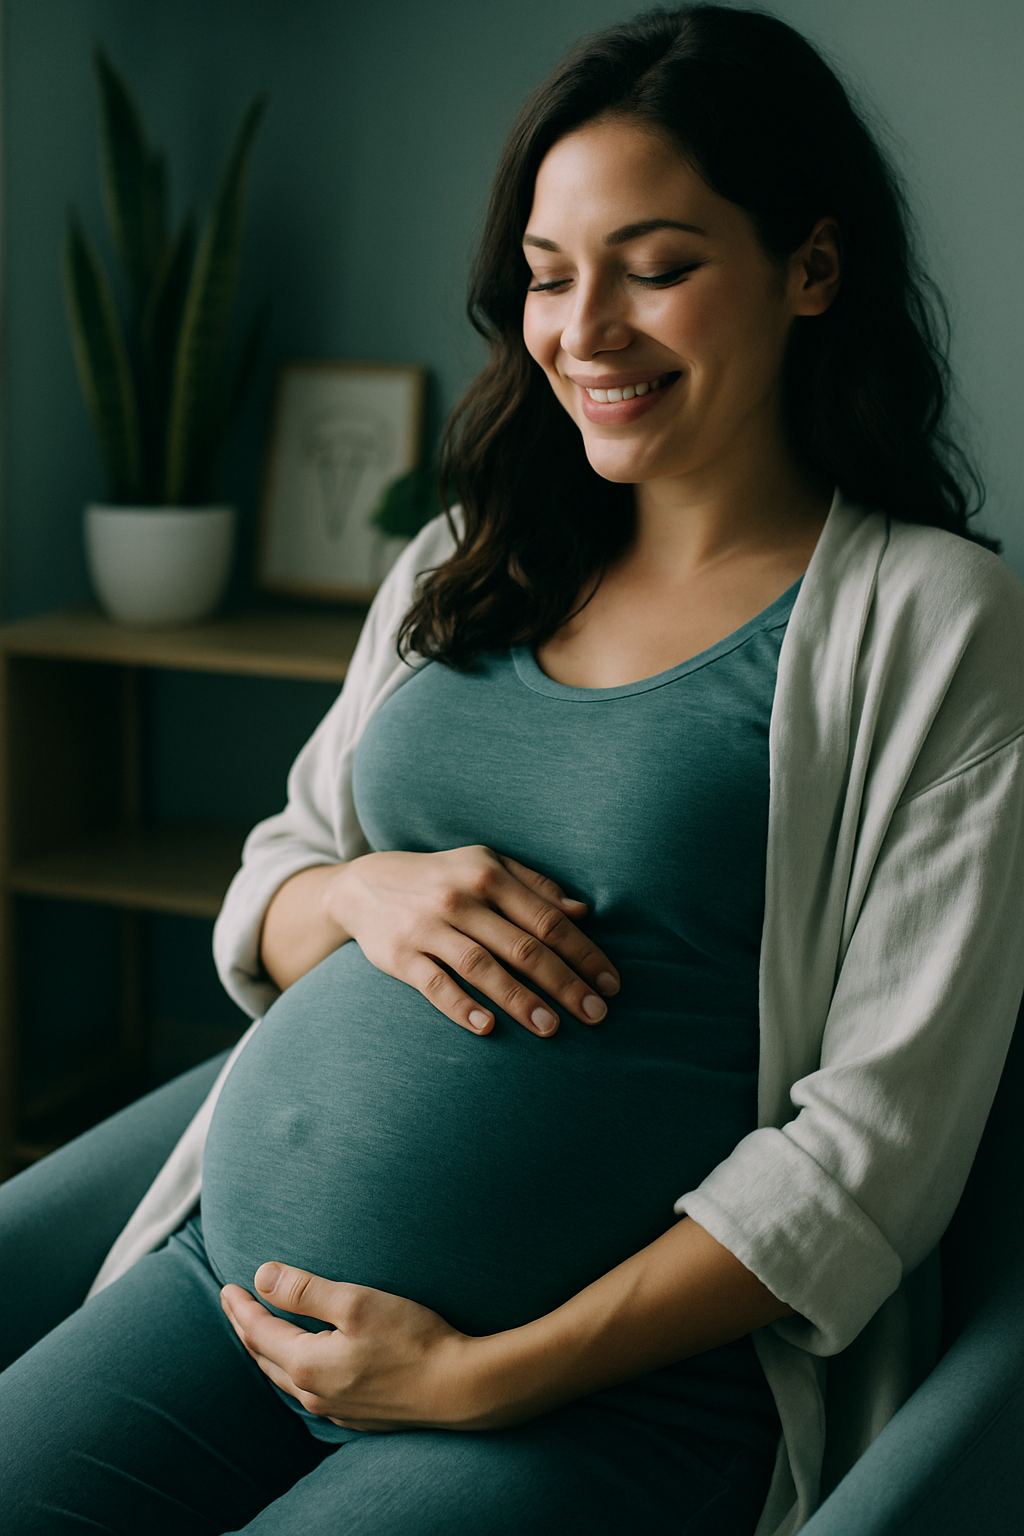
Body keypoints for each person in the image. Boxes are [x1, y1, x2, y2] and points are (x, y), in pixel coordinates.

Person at [3, 6, 1024, 1534]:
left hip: (585, 1402)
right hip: (229, 1292)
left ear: (812, 268)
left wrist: (485, 1375)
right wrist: (366, 894)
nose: (584, 329)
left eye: (659, 267)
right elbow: (274, 885)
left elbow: (873, 1150)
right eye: (549, 278)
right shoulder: (459, 565)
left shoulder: (933, 624)